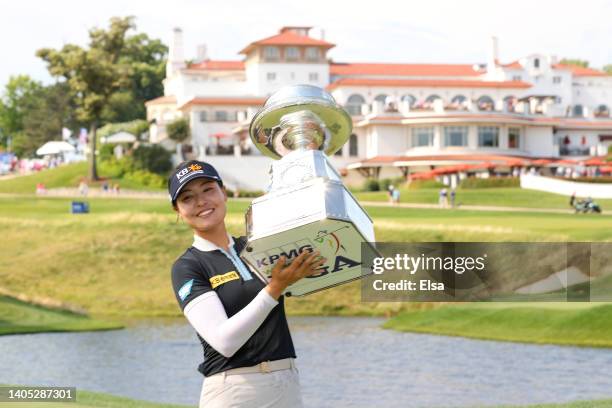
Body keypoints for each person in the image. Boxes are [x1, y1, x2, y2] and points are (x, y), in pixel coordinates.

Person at [169, 161, 325, 408]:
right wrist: (274, 289)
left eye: (208, 190)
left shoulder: (256, 247)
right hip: (233, 390)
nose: (200, 202)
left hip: (286, 382)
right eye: (187, 198)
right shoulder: (188, 267)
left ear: (224, 193)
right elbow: (225, 342)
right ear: (178, 210)